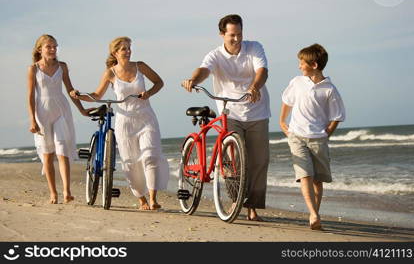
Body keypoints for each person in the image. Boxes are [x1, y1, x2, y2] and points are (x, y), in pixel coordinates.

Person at [182, 14, 271, 221]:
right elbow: (204, 70)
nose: (237, 39)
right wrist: (192, 80)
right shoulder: (215, 55)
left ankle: (252, 207)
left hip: (257, 112)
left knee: (259, 161)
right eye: (232, 35)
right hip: (230, 113)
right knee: (234, 161)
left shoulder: (254, 47)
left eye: (239, 34)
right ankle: (235, 200)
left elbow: (262, 70)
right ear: (222, 34)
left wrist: (254, 86)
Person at [71, 36, 169, 210]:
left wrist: (149, 93)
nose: (128, 51)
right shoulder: (110, 73)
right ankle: (142, 199)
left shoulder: (141, 66)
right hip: (125, 121)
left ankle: (153, 199)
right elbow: (97, 95)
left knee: (151, 156)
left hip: (146, 117)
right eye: (124, 49)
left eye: (129, 48)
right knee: (130, 162)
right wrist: (80, 95)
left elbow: (159, 82)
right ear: (115, 53)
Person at [279, 43, 345, 230]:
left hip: (318, 139)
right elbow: (287, 101)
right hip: (297, 135)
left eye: (302, 62)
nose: (299, 66)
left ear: (314, 65)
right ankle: (314, 214)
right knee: (305, 175)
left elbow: (337, 116)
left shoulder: (330, 89)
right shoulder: (297, 82)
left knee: (317, 180)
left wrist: (326, 134)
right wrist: (282, 122)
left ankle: (314, 214)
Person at [27, 34, 91, 204]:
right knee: (48, 154)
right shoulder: (33, 69)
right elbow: (30, 97)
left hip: (61, 110)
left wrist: (82, 109)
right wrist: (32, 120)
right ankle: (53, 193)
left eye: (55, 46)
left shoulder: (62, 66)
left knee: (62, 151)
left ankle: (67, 191)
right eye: (49, 46)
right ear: (40, 49)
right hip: (42, 112)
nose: (53, 49)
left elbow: (70, 90)